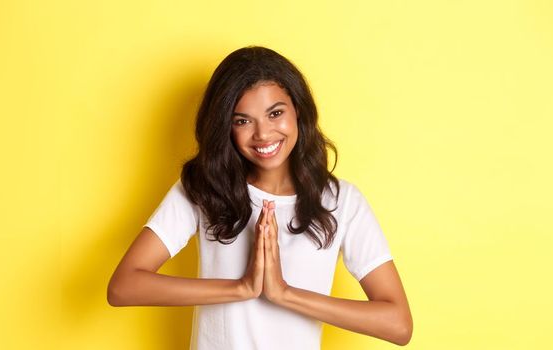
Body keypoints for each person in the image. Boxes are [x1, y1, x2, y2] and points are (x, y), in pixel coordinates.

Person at [107, 46, 412, 349]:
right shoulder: (204, 188)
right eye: (243, 121)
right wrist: (240, 288)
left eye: (275, 113)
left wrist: (283, 292)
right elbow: (124, 287)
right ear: (226, 127)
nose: (263, 134)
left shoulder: (341, 202)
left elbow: (398, 325)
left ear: (298, 111)